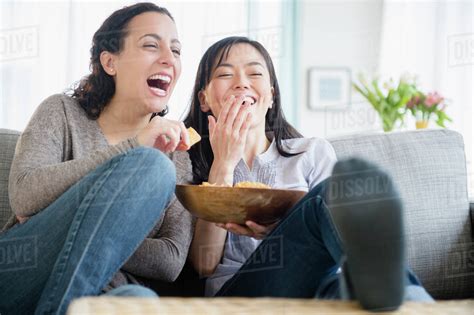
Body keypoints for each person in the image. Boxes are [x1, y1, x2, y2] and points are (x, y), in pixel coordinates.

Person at [183, 36, 434, 311]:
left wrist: (283, 224)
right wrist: (223, 164)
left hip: (315, 285)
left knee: (348, 286)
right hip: (238, 295)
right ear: (204, 99)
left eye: (254, 73)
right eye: (225, 74)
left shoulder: (311, 153)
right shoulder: (189, 159)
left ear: (271, 95)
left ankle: (411, 301)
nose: (242, 82)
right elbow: (204, 265)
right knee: (326, 196)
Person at [0, 3, 194, 314]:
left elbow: (170, 259)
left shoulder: (178, 154)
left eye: (176, 50)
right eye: (150, 45)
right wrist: (133, 147)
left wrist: (90, 224)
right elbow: (25, 196)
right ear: (109, 61)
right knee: (152, 166)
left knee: (141, 304)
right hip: (21, 270)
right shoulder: (61, 112)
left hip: (106, 291)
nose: (169, 59)